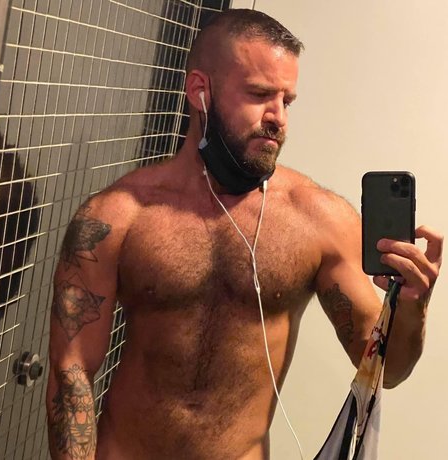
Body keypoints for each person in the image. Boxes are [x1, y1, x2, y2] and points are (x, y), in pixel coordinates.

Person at [46, 8, 443, 460]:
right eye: (259, 95)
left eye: (287, 101)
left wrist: (413, 306)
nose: (279, 118)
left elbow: (387, 369)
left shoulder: (318, 220)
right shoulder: (117, 217)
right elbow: (70, 370)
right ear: (200, 91)